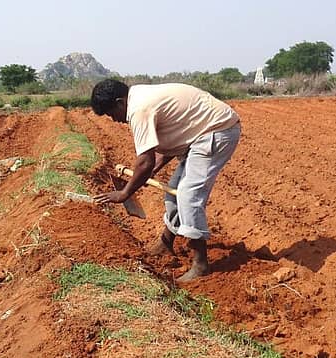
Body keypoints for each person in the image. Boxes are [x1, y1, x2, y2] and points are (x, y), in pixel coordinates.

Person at [91, 79, 241, 282]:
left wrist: (125, 193)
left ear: (120, 102)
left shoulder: (139, 109)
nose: (114, 120)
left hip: (217, 131)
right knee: (174, 191)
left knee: (188, 196)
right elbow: (174, 137)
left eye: (111, 113)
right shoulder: (139, 97)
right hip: (199, 134)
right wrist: (153, 170)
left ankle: (200, 264)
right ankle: (165, 243)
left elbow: (145, 162)